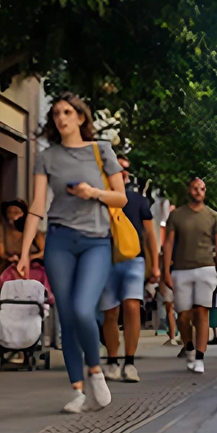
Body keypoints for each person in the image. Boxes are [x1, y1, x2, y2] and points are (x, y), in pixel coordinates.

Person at [17, 93, 127, 414]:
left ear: (80, 117)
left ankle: (95, 370)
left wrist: (93, 193)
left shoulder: (101, 150)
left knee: (82, 309)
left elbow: (120, 198)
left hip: (96, 241)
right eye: (56, 114)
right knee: (66, 316)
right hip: (59, 241)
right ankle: (78, 391)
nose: (61, 118)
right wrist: (24, 253)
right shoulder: (46, 157)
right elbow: (37, 205)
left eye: (67, 112)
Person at [100, 156, 160, 384]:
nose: (122, 172)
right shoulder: (99, 198)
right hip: (106, 259)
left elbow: (150, 234)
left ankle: (130, 362)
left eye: (125, 169)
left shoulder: (138, 200)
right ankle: (113, 360)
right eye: (117, 168)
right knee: (110, 312)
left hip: (134, 259)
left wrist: (156, 265)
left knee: (132, 306)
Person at [162, 177, 217, 375]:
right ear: (189, 190)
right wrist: (165, 271)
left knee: (201, 311)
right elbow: (168, 243)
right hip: (181, 269)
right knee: (183, 315)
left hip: (206, 268)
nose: (199, 191)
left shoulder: (213, 216)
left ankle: (199, 357)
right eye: (196, 188)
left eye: (202, 189)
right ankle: (188, 345)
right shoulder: (177, 215)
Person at [158, 206, 179, 345]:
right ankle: (173, 336)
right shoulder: (167, 237)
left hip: (178, 273)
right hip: (171, 274)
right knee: (170, 307)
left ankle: (176, 336)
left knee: (174, 308)